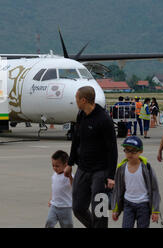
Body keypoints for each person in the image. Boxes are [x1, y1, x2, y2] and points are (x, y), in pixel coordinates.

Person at [64, 86, 118, 228]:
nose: (75, 101)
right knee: (78, 208)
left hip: (101, 171)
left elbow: (112, 149)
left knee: (99, 211)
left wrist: (111, 176)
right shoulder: (81, 115)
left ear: (83, 100)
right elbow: (76, 140)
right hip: (83, 168)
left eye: (76, 98)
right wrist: (69, 164)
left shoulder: (104, 119)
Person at [112, 136, 160, 228]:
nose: (130, 154)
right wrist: (116, 209)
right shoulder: (121, 168)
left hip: (143, 205)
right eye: (127, 150)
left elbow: (154, 189)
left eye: (133, 150)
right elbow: (117, 190)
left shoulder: (146, 168)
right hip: (128, 204)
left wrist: (155, 210)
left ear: (140, 151)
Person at [46, 150, 74, 228]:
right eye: (53, 165)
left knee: (67, 225)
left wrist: (70, 177)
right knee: (49, 222)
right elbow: (54, 188)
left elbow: (74, 186)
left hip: (66, 207)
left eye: (57, 166)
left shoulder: (69, 175)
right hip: (54, 206)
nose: (54, 168)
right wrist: (51, 199)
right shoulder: (54, 175)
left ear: (65, 165)